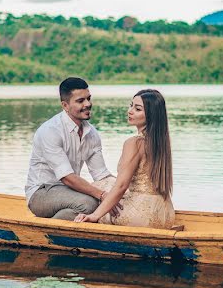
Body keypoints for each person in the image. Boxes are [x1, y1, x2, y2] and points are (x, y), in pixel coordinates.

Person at [75, 89, 175, 229]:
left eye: (137, 109)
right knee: (103, 185)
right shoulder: (161, 142)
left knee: (96, 192)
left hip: (141, 215)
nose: (130, 111)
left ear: (151, 114)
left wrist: (95, 216)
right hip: (166, 213)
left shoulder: (134, 143)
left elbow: (122, 185)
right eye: (131, 105)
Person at [25, 77, 120, 221]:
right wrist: (102, 195)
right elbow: (67, 178)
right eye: (80, 101)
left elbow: (101, 174)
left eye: (88, 98)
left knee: (114, 198)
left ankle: (61, 222)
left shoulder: (91, 133)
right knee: (91, 203)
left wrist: (121, 188)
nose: (88, 104)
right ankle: (49, 230)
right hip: (41, 193)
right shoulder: (50, 131)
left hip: (68, 192)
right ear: (65, 105)